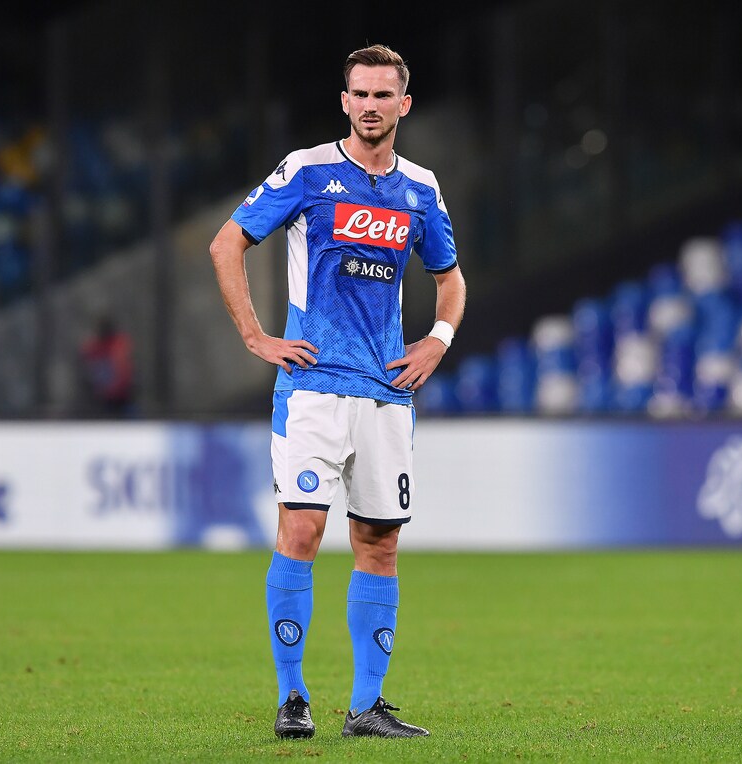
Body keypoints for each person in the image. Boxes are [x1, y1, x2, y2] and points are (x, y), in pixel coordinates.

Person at [208, 44, 466, 739]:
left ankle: (367, 708)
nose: (372, 106)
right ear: (345, 101)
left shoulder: (420, 187)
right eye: (361, 94)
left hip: (385, 392)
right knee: (302, 528)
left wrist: (437, 341)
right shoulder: (308, 170)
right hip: (313, 388)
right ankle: (293, 699)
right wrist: (258, 338)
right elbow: (226, 243)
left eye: (385, 95)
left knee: (379, 542)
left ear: (404, 105)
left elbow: (450, 277)